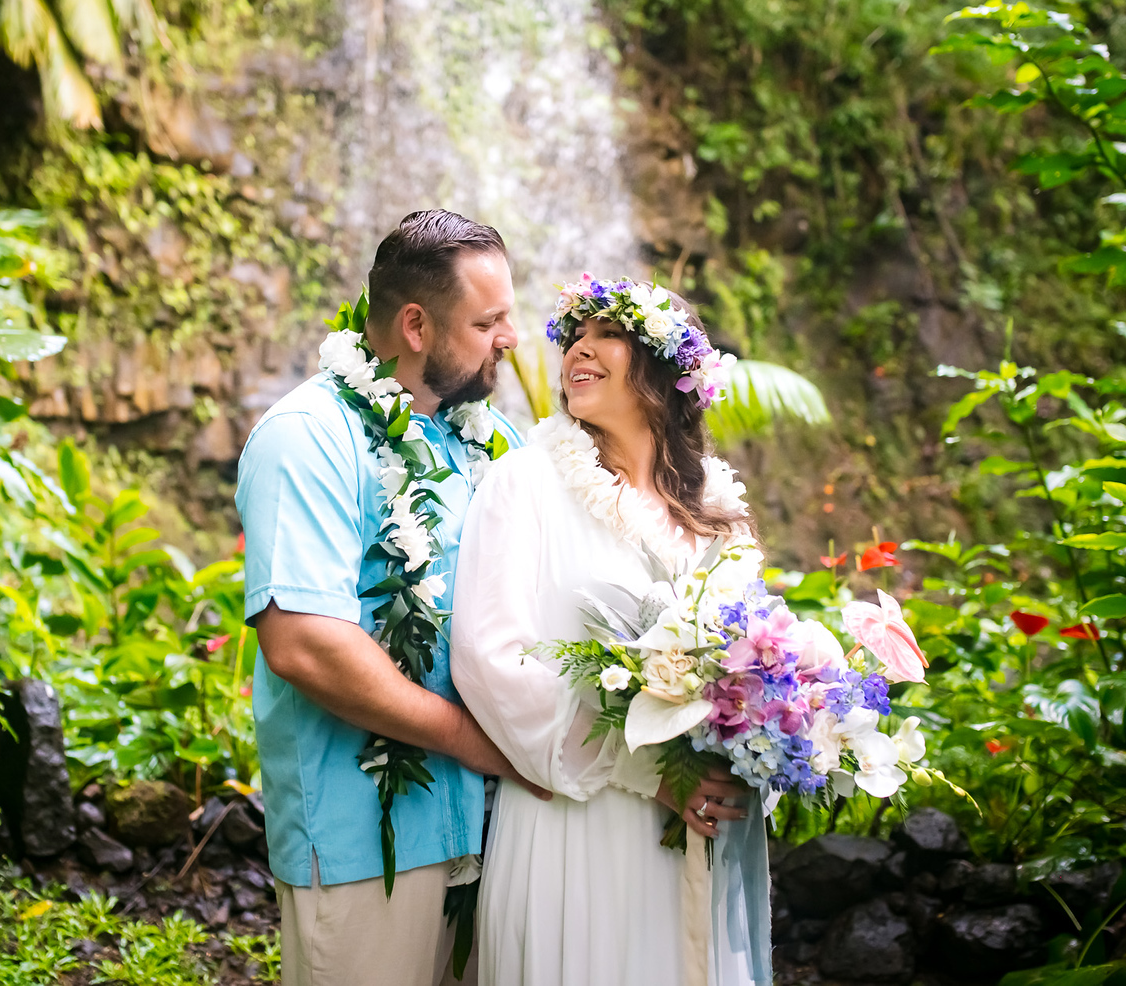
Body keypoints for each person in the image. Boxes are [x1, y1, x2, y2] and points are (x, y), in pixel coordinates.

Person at [236, 210, 551, 986]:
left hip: (500, 828)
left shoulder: (490, 440)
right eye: (487, 321)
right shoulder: (306, 438)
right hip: (365, 835)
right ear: (414, 324)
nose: (510, 338)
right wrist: (485, 746)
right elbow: (304, 644)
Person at [450, 277, 766, 986]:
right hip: (579, 817)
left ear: (666, 366)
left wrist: (767, 742)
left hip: (706, 818)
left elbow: (754, 658)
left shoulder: (718, 510)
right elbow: (487, 659)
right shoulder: (524, 485)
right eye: (574, 338)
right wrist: (646, 769)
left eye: (607, 336)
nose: (578, 352)